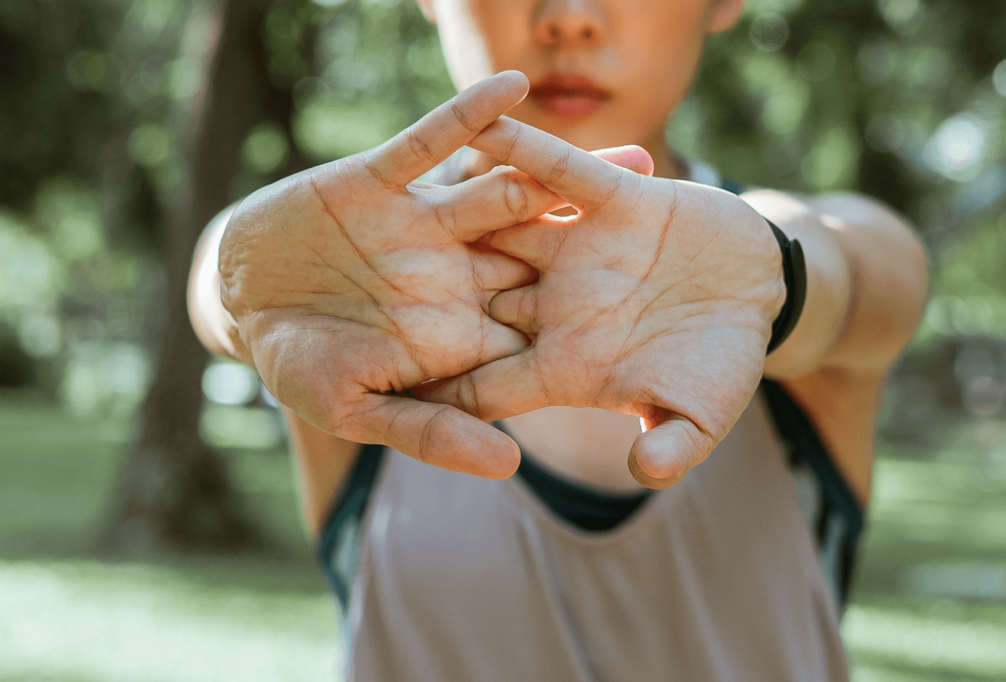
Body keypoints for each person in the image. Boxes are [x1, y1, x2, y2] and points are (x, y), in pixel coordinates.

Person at [188, 0, 929, 679]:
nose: (569, 18)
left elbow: (858, 273)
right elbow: (238, 277)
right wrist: (234, 275)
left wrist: (779, 281)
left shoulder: (786, 255)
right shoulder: (348, 287)